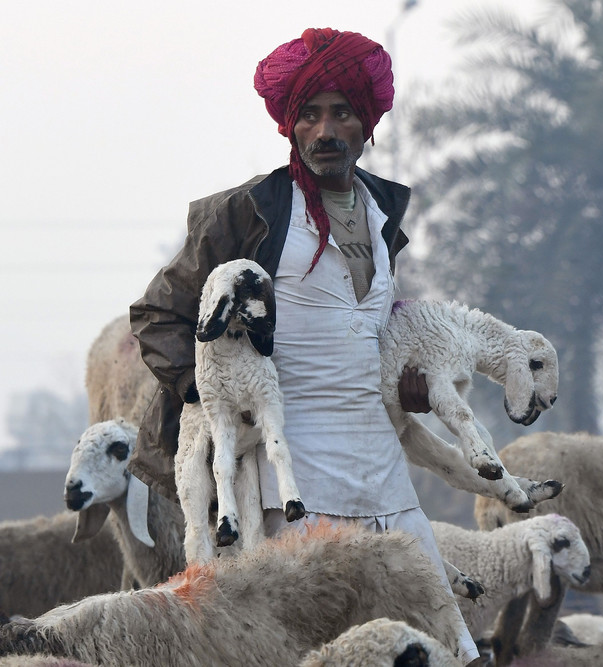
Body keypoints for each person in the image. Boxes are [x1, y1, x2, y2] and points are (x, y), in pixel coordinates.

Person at [128, 28, 481, 665]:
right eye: (310, 115)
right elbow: (158, 314)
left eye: (341, 112)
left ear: (366, 123)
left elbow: (369, 330)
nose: (325, 131)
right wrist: (212, 396)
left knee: (448, 639)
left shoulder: (382, 213)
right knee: (303, 644)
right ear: (290, 127)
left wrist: (411, 382)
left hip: (379, 458)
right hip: (289, 467)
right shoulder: (248, 211)